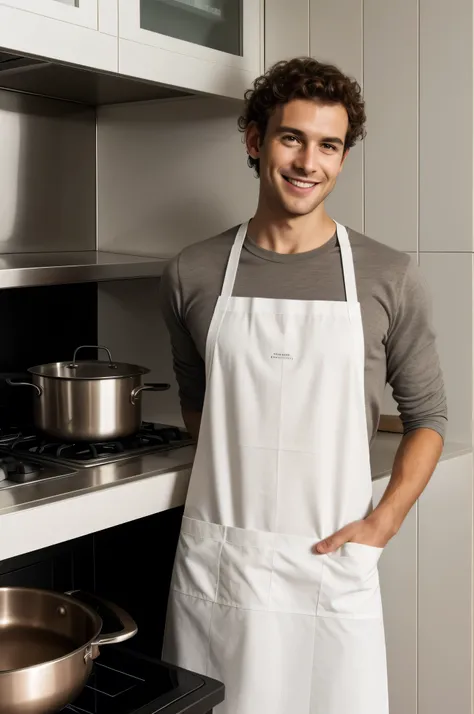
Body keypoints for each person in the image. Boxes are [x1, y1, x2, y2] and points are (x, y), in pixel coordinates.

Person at [159, 57, 447, 714]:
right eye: (292, 137)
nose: (307, 161)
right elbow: (197, 399)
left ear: (342, 157)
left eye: (329, 145)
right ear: (256, 141)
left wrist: (386, 521)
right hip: (224, 560)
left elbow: (429, 415)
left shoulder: (388, 276)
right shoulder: (193, 272)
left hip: (331, 561)